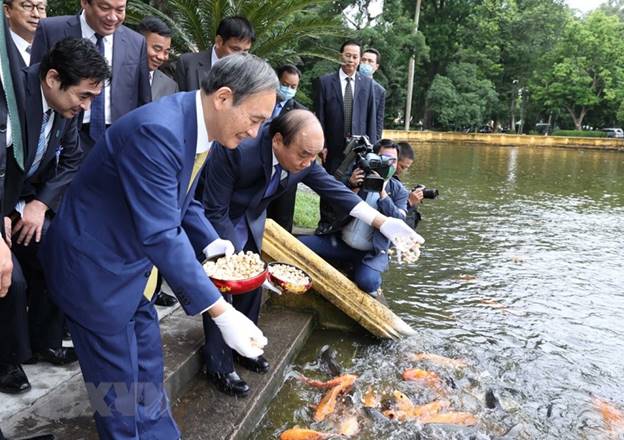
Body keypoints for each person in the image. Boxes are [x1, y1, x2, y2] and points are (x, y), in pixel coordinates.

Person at [39, 53, 277, 439]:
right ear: (223, 97)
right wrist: (221, 313)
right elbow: (161, 233)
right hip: (95, 275)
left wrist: (211, 240)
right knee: (116, 396)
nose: (254, 133)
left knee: (147, 376)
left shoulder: (202, 127)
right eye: (254, 119)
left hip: (135, 274)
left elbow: (182, 200)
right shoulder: (158, 131)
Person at [201, 110, 422, 396]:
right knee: (226, 284)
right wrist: (233, 259)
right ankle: (218, 364)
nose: (308, 163)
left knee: (253, 287)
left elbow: (335, 191)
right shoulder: (238, 150)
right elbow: (214, 210)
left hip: (252, 219)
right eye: (304, 155)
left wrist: (383, 223)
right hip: (218, 217)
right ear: (278, 140)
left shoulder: (304, 158)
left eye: (314, 156)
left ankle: (246, 347)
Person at [0, 38, 110, 390]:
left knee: (60, 251)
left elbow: (73, 159)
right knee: (10, 280)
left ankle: (45, 340)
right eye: (83, 95)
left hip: (25, 203)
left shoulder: (64, 110)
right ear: (52, 78)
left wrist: (41, 203)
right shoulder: (11, 99)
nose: (87, 106)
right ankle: (6, 360)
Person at [30, 0, 151, 154]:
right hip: (60, 137)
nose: (113, 17)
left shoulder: (136, 41)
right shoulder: (51, 30)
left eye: (120, 10)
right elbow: (35, 86)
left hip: (117, 140)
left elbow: (143, 100)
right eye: (105, 8)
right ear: (85, 3)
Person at [299, 139, 408, 302]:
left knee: (368, 282)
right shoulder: (359, 177)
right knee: (301, 245)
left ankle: (369, 273)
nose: (389, 164)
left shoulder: (399, 191)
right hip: (341, 243)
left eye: (393, 160)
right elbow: (331, 204)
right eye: (384, 159)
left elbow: (398, 221)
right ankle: (346, 262)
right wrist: (351, 186)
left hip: (369, 252)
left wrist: (382, 194)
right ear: (373, 158)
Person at [313, 40, 377, 233]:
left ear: (359, 60)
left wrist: (371, 149)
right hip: (332, 146)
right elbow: (320, 116)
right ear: (340, 55)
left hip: (358, 148)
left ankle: (346, 228)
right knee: (329, 184)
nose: (351, 60)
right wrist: (320, 144)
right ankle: (325, 225)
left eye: (355, 57)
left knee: (355, 185)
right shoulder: (325, 82)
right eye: (348, 55)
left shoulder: (368, 84)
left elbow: (371, 118)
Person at [266, 64, 306, 233]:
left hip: (284, 174)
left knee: (281, 220)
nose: (288, 89)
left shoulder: (300, 113)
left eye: (293, 87)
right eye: (285, 84)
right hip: (258, 166)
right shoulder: (262, 100)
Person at [175, 15, 254, 92]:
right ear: (219, 41)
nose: (240, 56)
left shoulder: (251, 74)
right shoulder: (188, 63)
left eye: (245, 51)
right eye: (235, 49)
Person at [137, 16, 177, 101]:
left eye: (166, 52)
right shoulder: (118, 73)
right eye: (157, 49)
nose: (161, 57)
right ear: (139, 43)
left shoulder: (170, 86)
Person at [3, 0, 46, 67]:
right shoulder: (3, 49)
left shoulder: (50, 49)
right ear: (7, 10)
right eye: (27, 6)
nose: (36, 14)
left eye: (41, 8)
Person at [394, 141, 423, 229]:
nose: (403, 171)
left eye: (406, 168)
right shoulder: (384, 182)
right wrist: (409, 202)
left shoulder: (396, 184)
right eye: (402, 167)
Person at [359, 48, 385, 141]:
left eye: (370, 61)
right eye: (363, 60)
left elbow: (379, 120)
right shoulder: (349, 82)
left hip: (368, 138)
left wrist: (377, 142)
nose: (366, 63)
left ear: (376, 66)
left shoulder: (379, 90)